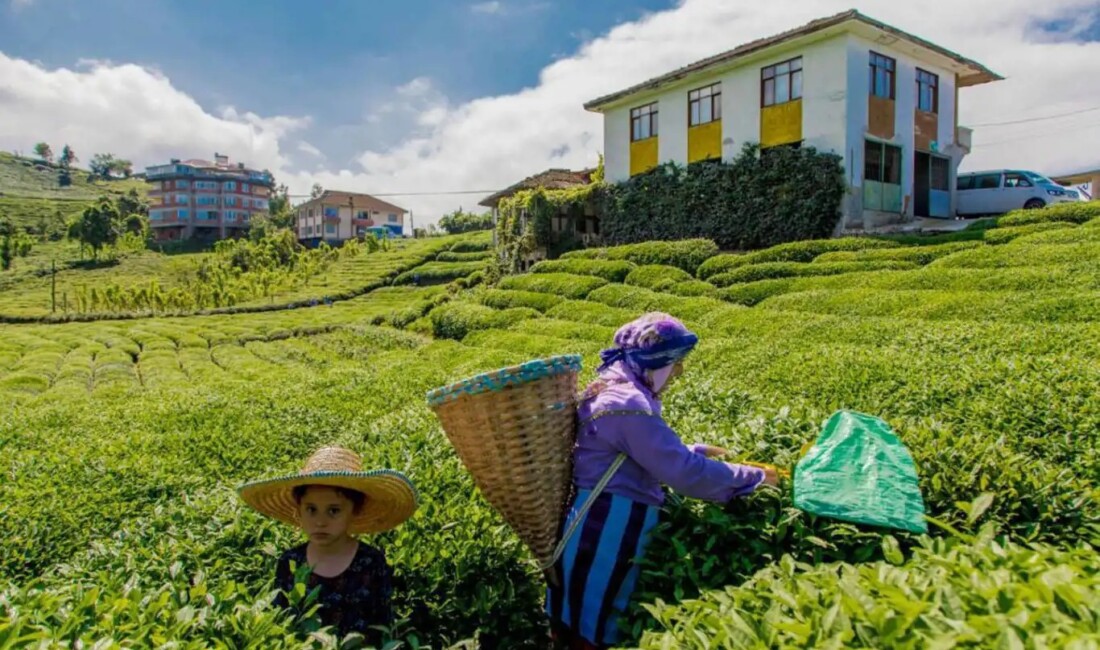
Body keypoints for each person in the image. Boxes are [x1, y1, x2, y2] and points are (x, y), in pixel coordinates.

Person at [546, 313, 778, 650]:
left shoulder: (615, 388)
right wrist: (754, 477)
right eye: (675, 364)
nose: (679, 374)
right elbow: (684, 474)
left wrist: (695, 449)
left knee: (577, 619)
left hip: (594, 520)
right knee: (593, 626)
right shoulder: (626, 403)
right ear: (656, 361)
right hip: (608, 528)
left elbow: (634, 450)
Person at [237, 446, 419, 644]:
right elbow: (281, 622)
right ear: (299, 510)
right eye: (311, 510)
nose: (320, 522)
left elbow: (383, 624)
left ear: (354, 510)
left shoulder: (371, 562)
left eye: (333, 511)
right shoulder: (290, 562)